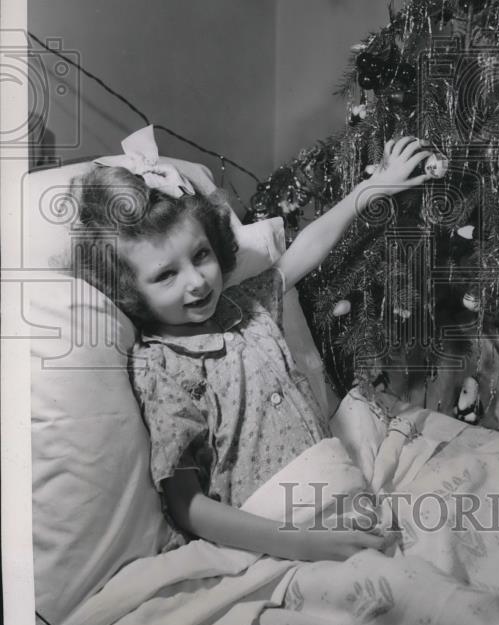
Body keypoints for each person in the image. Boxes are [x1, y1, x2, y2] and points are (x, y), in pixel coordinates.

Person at [70, 136, 433, 563]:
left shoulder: (248, 302)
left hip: (346, 500)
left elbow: (306, 249)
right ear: (130, 291)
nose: (197, 281)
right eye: (166, 274)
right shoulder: (158, 365)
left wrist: (370, 190)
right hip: (274, 541)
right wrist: (302, 545)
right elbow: (187, 507)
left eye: (200, 255)